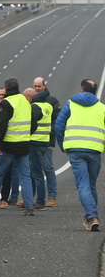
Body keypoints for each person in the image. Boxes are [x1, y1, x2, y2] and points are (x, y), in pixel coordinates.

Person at [0, 77, 37, 215]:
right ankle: (29, 207)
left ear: (7, 89)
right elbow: (34, 124)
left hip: (9, 145)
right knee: (25, 176)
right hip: (24, 145)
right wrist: (26, 135)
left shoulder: (6, 103)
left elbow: (2, 126)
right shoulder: (25, 102)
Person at [54, 79, 105, 230]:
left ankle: (92, 216)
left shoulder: (71, 104)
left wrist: (64, 146)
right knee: (91, 185)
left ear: (81, 89)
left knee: (83, 185)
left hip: (76, 150)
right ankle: (92, 216)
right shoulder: (101, 107)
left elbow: (58, 126)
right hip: (94, 150)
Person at [30, 76, 60, 208]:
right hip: (33, 141)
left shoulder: (52, 101)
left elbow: (57, 120)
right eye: (35, 86)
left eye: (39, 86)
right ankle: (30, 197)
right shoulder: (32, 101)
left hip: (46, 141)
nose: (37, 89)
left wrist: (49, 133)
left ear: (44, 86)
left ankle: (52, 196)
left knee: (47, 168)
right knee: (33, 170)